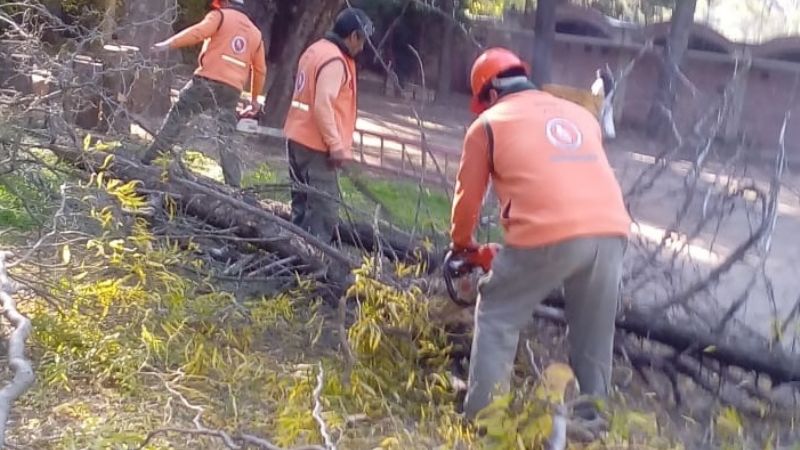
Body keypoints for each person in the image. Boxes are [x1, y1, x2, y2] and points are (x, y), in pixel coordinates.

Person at [450, 47, 631, 420]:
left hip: (548, 231)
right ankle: (593, 422)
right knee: (593, 332)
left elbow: (467, 201)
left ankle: (486, 420)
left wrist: (464, 245)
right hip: (611, 228)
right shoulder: (579, 114)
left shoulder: (487, 124)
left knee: (498, 313)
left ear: (491, 94)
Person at [141, 0, 267, 188]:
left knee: (179, 114)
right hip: (232, 91)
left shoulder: (220, 17)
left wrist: (168, 44)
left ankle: (148, 160)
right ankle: (234, 185)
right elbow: (260, 70)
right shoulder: (255, 33)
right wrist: (255, 99)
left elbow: (198, 33)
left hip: (206, 82)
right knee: (226, 136)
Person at [282, 7, 374, 243]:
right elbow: (323, 104)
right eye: (362, 40)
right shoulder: (335, 60)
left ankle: (291, 255)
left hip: (298, 138)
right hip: (317, 146)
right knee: (322, 212)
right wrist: (335, 145)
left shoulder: (315, 50)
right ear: (353, 36)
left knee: (302, 206)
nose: (362, 47)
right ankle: (311, 263)